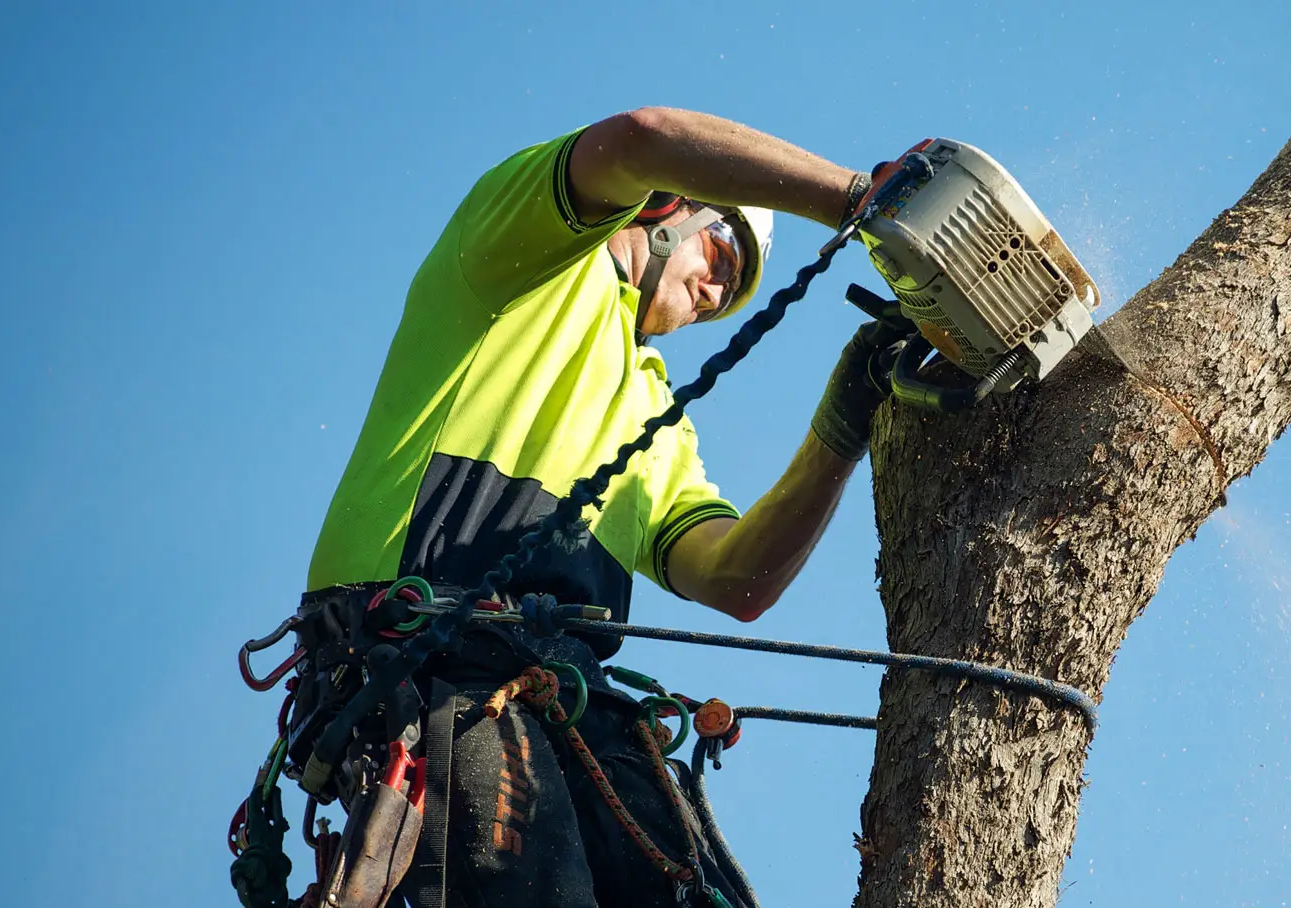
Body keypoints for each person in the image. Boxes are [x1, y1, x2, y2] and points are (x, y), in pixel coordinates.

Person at [299, 108, 901, 908]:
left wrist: (840, 428)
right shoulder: (522, 260)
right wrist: (860, 197)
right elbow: (644, 136)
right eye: (722, 253)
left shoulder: (656, 413)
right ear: (663, 209)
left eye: (731, 294)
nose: (717, 292)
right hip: (429, 656)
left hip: (562, 695)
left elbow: (737, 579)